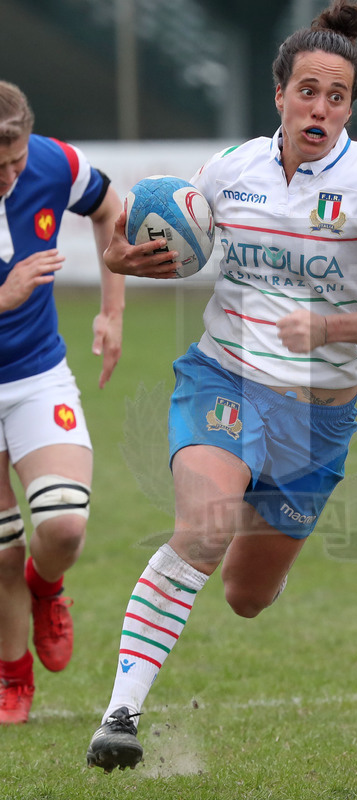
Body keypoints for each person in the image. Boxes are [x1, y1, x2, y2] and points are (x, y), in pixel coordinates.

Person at [86, 0, 357, 773]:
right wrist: (123, 260)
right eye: (307, 91)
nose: (320, 108)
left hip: (317, 422)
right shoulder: (231, 169)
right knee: (204, 527)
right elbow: (152, 242)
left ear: (351, 106)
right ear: (279, 93)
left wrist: (333, 329)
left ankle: (262, 518)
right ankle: (122, 711)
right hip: (226, 377)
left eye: (337, 96)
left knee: (247, 595)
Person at [0, 81, 125, 724]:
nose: (10, 176)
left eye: (15, 161)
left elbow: (110, 208)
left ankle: (45, 586)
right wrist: (5, 295)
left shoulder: (54, 164)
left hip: (35, 375)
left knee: (64, 525)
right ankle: (11, 674)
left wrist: (112, 310)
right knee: (0, 546)